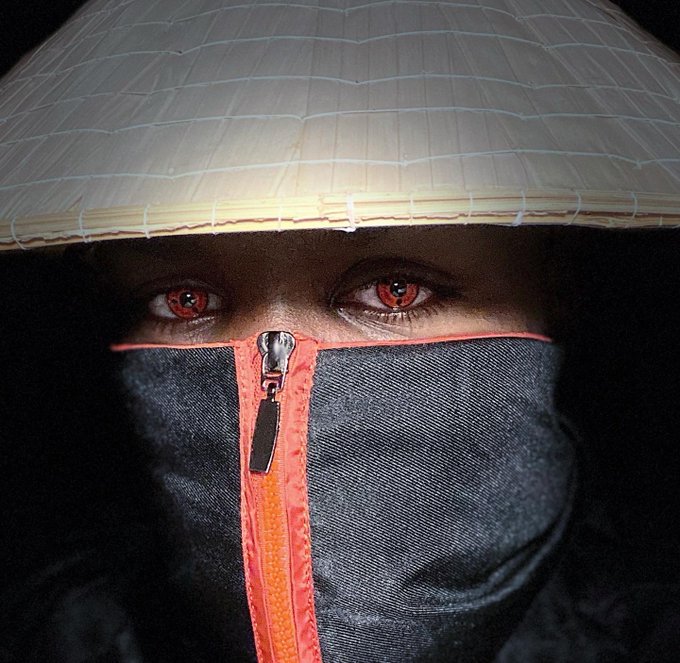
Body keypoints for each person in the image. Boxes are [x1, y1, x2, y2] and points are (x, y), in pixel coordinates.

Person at [1, 1, 679, 662]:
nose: (274, 346)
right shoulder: (52, 632)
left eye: (394, 290)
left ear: (555, 289)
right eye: (186, 300)